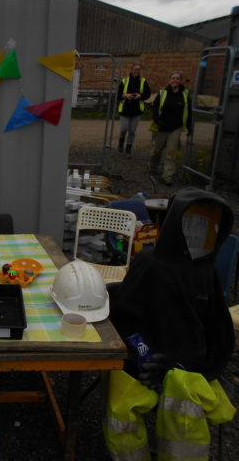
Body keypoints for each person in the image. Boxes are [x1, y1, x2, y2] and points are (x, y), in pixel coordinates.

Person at [103, 187, 236, 461]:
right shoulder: (151, 265)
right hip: (143, 359)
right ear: (176, 226)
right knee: (121, 406)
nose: (199, 236)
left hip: (190, 368)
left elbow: (218, 332)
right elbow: (125, 318)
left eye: (208, 228)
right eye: (191, 226)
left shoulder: (204, 273)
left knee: (184, 409)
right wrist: (142, 355)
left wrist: (187, 366)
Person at [149, 71, 193, 185]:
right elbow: (154, 109)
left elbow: (189, 111)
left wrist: (189, 126)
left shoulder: (185, 94)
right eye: (173, 78)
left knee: (171, 153)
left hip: (176, 127)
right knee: (156, 151)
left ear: (180, 81)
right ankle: (153, 167)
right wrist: (158, 121)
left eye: (178, 78)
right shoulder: (163, 93)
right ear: (169, 80)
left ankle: (167, 176)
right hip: (162, 127)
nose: (175, 80)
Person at [117, 64, 151, 157]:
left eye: (139, 69)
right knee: (124, 129)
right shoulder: (124, 81)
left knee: (132, 130)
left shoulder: (143, 81)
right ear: (131, 70)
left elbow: (148, 94)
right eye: (135, 69)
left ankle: (128, 147)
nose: (137, 71)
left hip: (137, 110)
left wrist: (140, 95)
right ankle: (121, 141)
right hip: (125, 109)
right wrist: (125, 95)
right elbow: (118, 94)